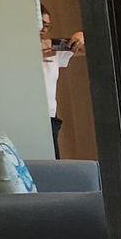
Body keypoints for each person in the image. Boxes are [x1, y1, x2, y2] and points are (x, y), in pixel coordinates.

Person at [39, 8, 84, 154]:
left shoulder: (51, 46)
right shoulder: (12, 49)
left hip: (49, 119)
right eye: (40, 23)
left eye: (47, 26)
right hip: (24, 115)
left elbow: (87, 49)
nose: (43, 29)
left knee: (52, 163)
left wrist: (81, 36)